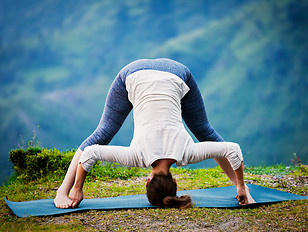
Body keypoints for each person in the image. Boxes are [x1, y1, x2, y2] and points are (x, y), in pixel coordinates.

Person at [54, 58, 255, 209]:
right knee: (101, 136)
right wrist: (78, 188)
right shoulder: (137, 157)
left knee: (205, 132)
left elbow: (232, 150)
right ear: (147, 181)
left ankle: (62, 191)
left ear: (175, 182)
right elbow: (91, 153)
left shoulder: (188, 153)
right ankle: (63, 192)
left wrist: (240, 186)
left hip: (176, 73)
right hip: (134, 74)